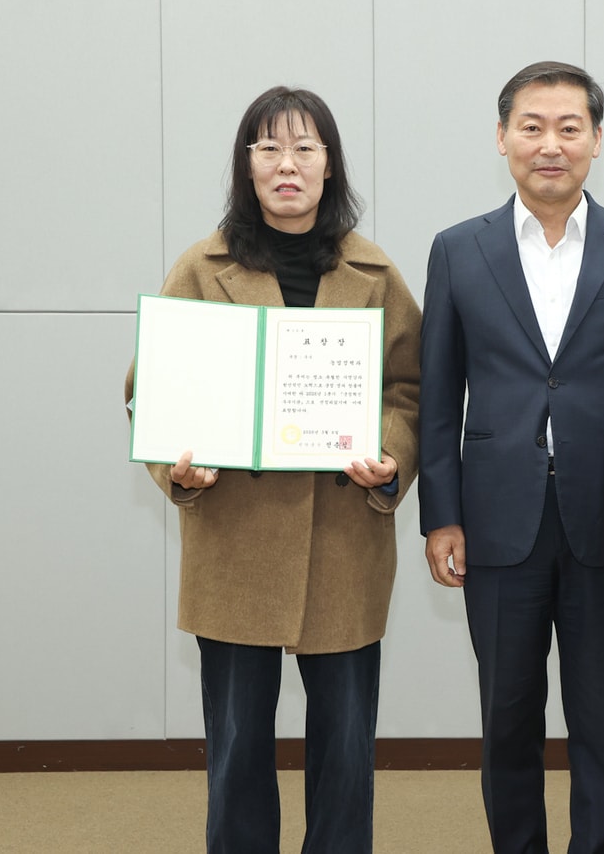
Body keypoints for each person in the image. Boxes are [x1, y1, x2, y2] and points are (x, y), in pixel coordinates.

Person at [123, 86, 420, 853]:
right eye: (269, 149)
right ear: (246, 166)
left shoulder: (376, 273)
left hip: (344, 548)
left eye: (305, 149)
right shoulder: (201, 265)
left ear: (330, 166)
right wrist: (176, 471)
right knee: (237, 751)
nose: (287, 165)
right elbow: (147, 390)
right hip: (235, 544)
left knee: (347, 753)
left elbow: (410, 389)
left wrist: (392, 456)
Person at [418, 61, 604, 854]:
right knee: (506, 719)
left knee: (603, 720)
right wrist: (442, 517)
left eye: (570, 127)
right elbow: (439, 398)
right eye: (531, 126)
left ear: (597, 141)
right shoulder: (458, 250)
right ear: (502, 137)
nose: (550, 144)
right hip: (497, 522)